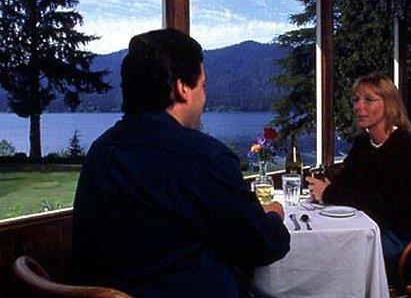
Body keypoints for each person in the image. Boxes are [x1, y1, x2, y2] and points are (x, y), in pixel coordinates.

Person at [70, 28, 290, 297]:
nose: (205, 97)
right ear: (182, 88)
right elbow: (262, 246)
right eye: (203, 86)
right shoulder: (203, 158)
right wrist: (275, 215)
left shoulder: (101, 151)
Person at [307, 73, 411, 280]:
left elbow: (382, 205)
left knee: (327, 261)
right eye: (356, 100)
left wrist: (330, 192)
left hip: (404, 245)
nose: (359, 106)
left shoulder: (404, 146)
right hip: (373, 230)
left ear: (389, 104)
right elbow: (346, 183)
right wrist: (326, 188)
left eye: (368, 99)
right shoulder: (363, 144)